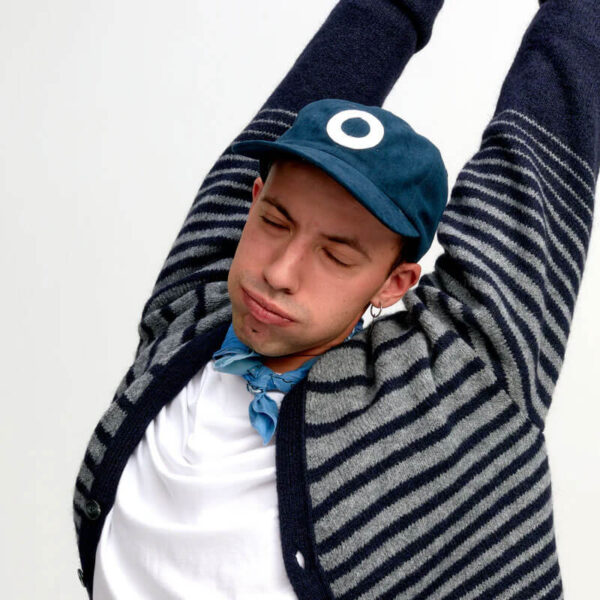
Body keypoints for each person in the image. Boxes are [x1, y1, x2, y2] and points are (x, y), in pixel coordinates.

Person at [73, 0, 599, 598]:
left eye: (337, 255)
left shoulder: (455, 385)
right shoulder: (193, 308)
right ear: (252, 200)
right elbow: (360, 36)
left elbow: (539, 155)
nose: (278, 272)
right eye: (275, 221)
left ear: (394, 281)